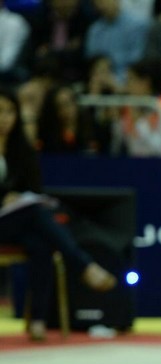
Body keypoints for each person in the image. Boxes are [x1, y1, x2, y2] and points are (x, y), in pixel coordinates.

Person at [0, 87, 116, 341]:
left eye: (9, 112)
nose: (4, 118)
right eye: (0, 112)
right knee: (36, 215)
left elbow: (35, 189)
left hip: (19, 219)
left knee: (41, 244)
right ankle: (84, 265)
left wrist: (17, 198)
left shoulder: (22, 149)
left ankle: (38, 320)